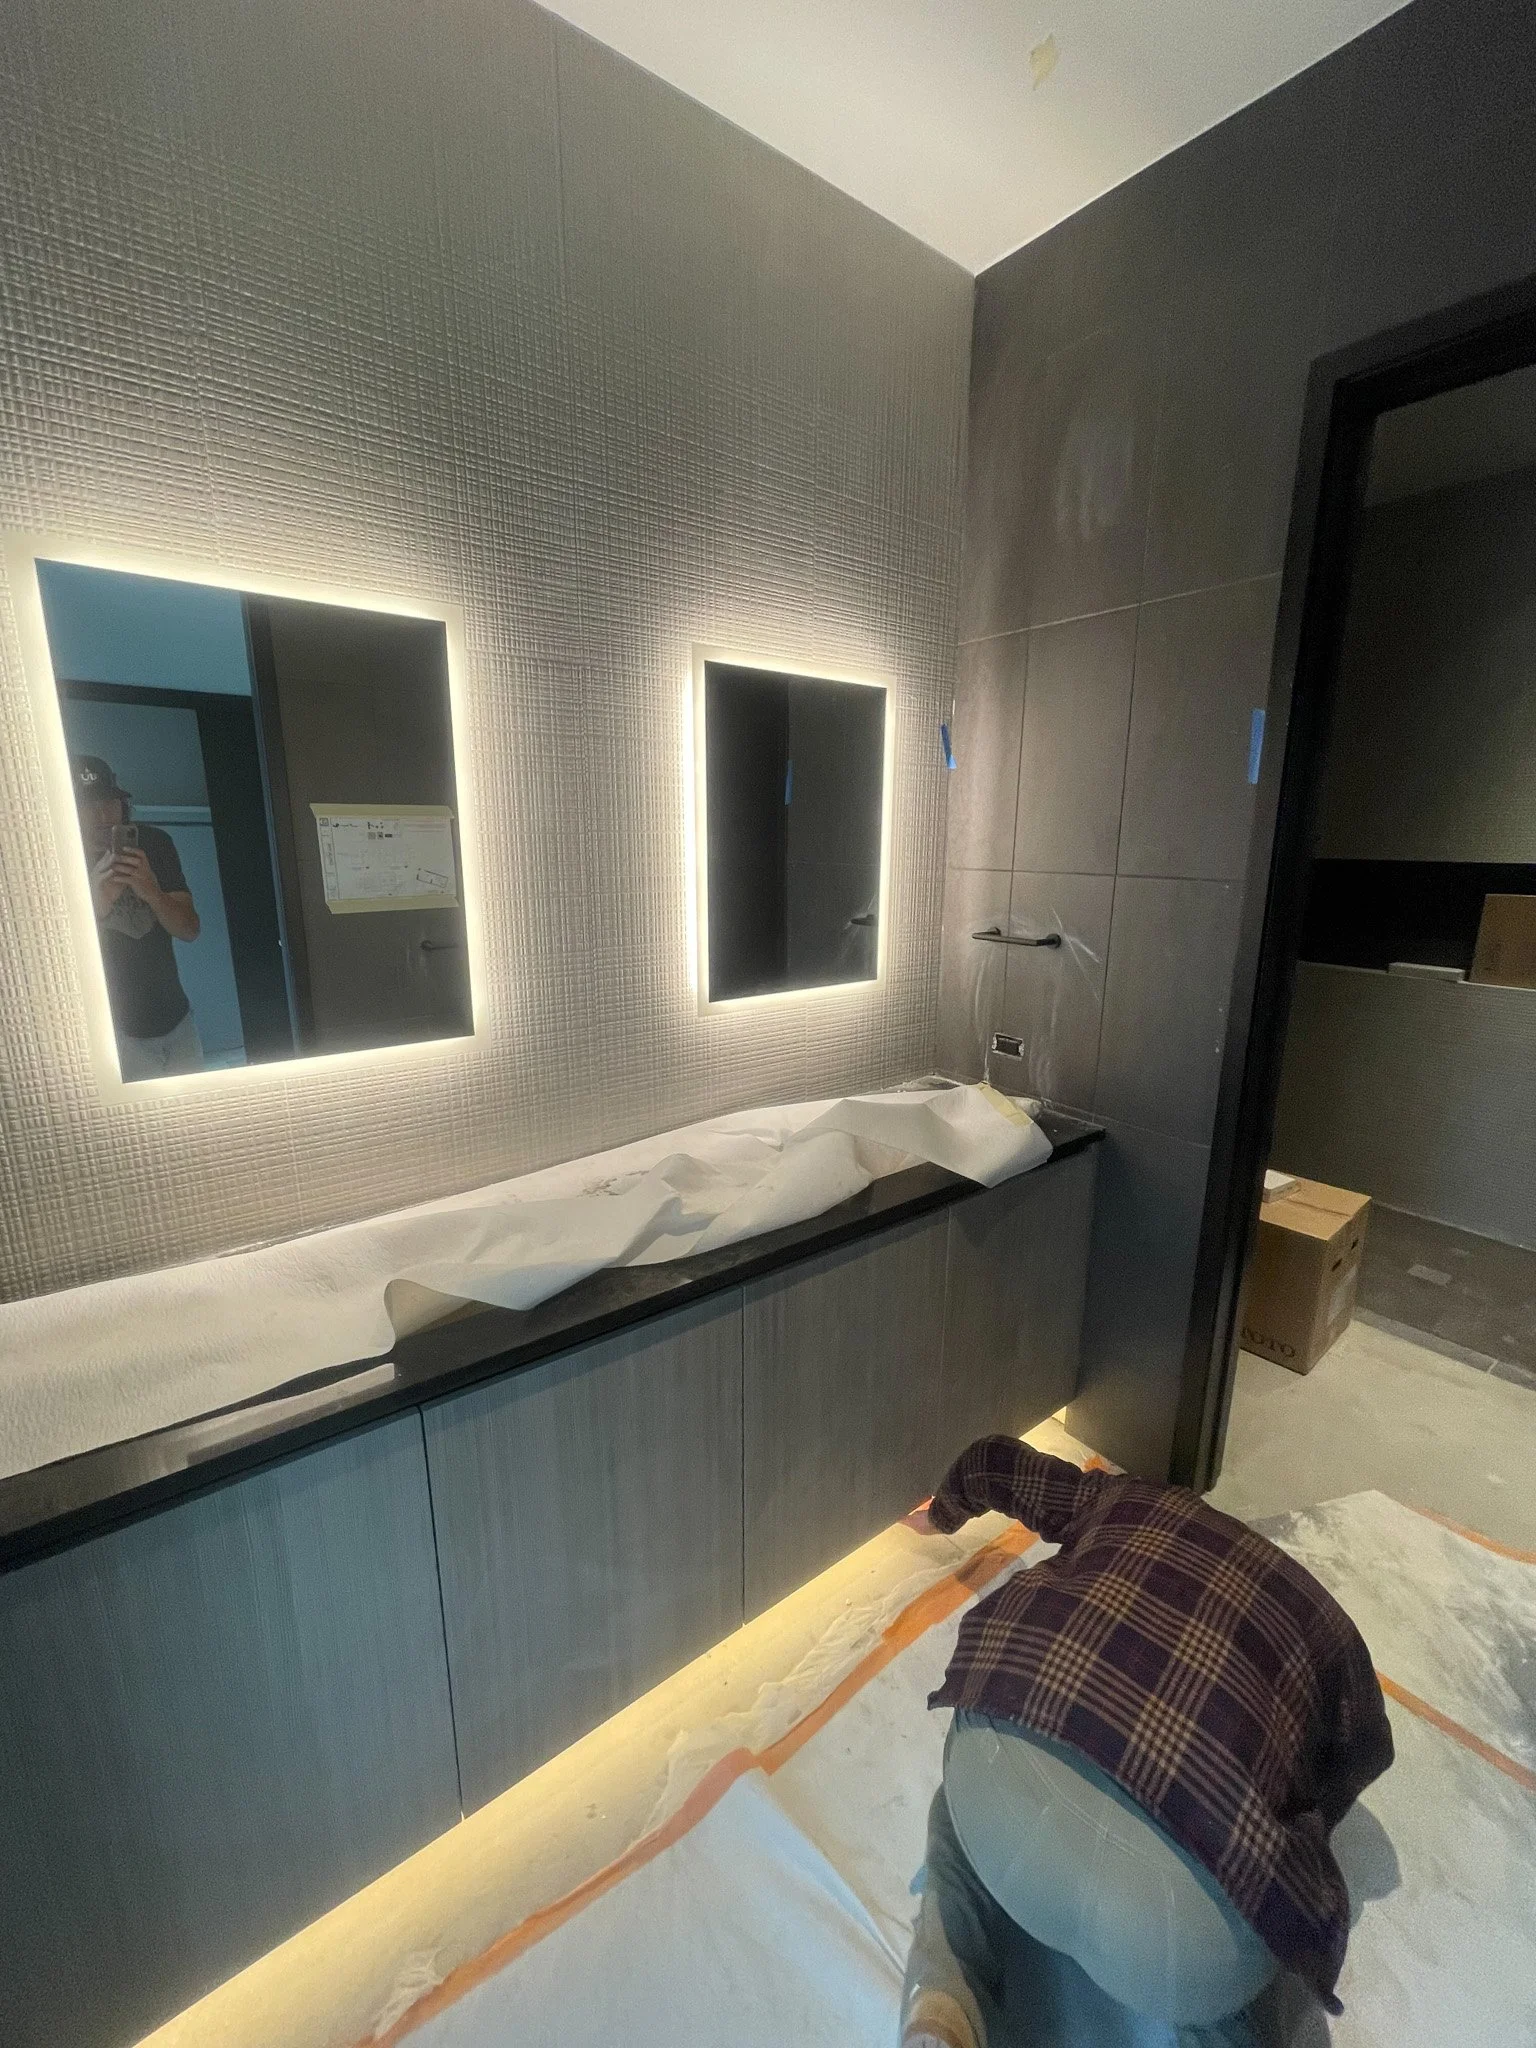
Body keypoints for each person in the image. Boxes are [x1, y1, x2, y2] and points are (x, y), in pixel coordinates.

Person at [902, 1437, 1394, 2048]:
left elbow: (992, 1465)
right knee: (1261, 1940)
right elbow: (1360, 1757)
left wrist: (940, 1515)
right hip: (1177, 1930)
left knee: (956, 1824)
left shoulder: (1127, 1497)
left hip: (1007, 1791)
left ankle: (943, 1999)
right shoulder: (1329, 1633)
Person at [72, 754, 204, 1080]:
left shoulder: (155, 845)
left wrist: (153, 892)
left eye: (110, 802)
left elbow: (189, 930)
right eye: (88, 805)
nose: (103, 815)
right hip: (111, 1033)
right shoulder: (58, 858)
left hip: (176, 1017)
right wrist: (96, 901)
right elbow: (53, 963)